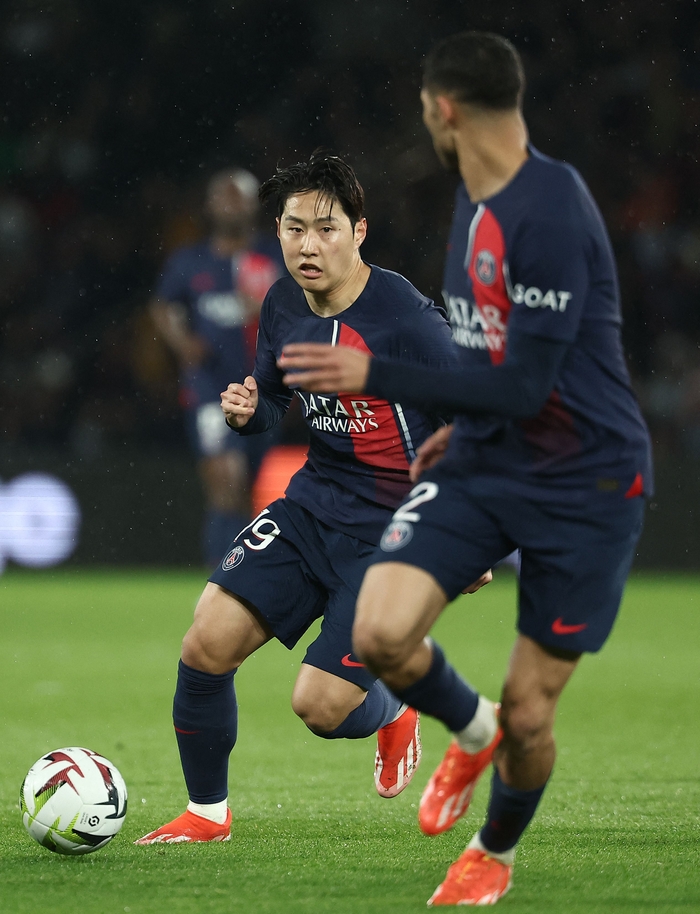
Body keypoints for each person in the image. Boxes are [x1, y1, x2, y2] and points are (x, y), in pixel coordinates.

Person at [279, 32, 653, 906]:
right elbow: (490, 362)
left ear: (444, 110)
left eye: (423, 108)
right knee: (380, 632)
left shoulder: (549, 212)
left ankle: (493, 852)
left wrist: (376, 375)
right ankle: (473, 729)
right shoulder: (476, 205)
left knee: (534, 710)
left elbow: (526, 384)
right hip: (489, 457)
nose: (423, 122)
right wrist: (457, 429)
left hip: (586, 480)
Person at [136, 153, 480, 846]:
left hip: (391, 534)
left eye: (326, 229)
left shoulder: (406, 321)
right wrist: (248, 412)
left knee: (320, 708)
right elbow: (273, 400)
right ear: (278, 232)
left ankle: (393, 707)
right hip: (311, 507)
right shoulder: (283, 304)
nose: (308, 245)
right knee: (205, 643)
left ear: (359, 231)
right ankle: (207, 814)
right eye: (294, 229)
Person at [150, 169, 281, 566]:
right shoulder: (190, 261)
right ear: (209, 206)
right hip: (210, 389)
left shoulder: (273, 257)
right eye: (224, 197)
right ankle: (222, 575)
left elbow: (304, 304)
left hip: (265, 391)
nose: (231, 206)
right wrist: (183, 343)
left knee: (246, 488)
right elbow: (163, 307)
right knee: (226, 480)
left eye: (239, 198)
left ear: (254, 206)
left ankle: (238, 571)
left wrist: (268, 311)